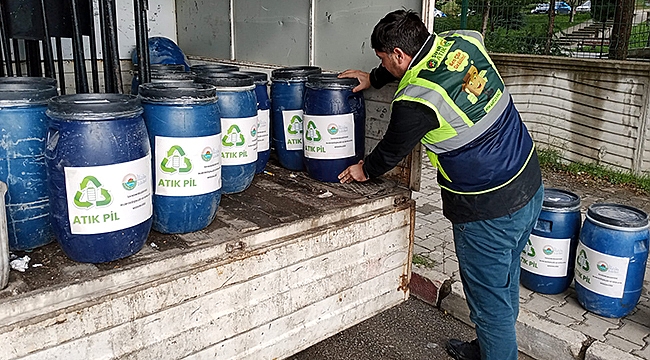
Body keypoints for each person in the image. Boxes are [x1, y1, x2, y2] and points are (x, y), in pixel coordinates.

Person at [337, 9, 544, 360]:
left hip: (487, 212)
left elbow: (390, 152)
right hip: (529, 183)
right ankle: (487, 348)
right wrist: (375, 77)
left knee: (490, 303)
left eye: (384, 60)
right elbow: (426, 65)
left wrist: (363, 170)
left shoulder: (416, 100)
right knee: (503, 283)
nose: (384, 65)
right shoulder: (464, 40)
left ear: (399, 55)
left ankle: (496, 350)